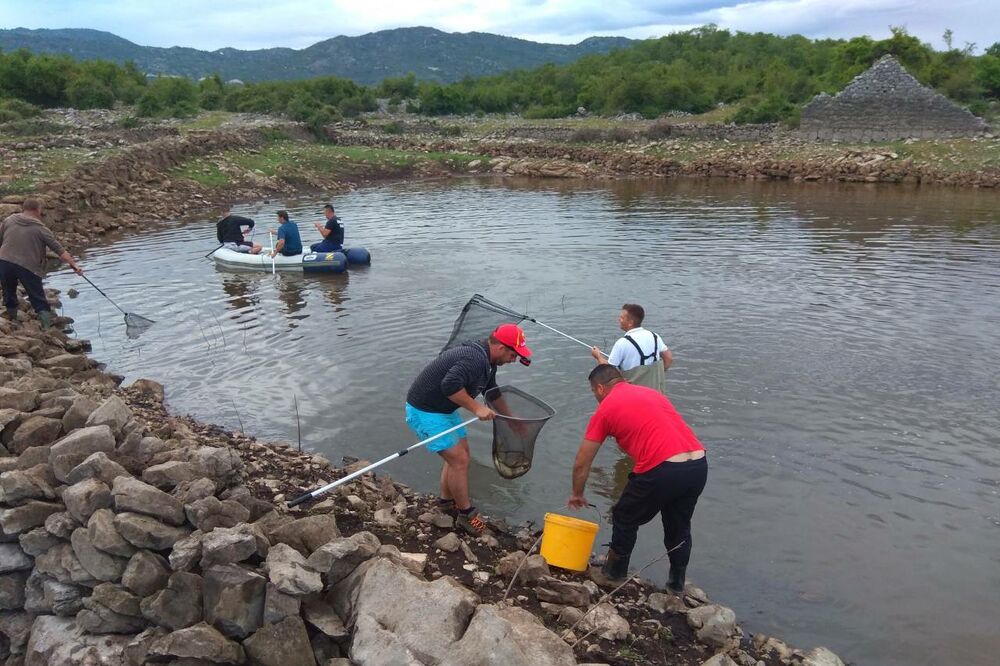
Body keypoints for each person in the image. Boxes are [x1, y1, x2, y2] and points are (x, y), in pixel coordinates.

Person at [568, 365, 706, 593]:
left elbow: (582, 462)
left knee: (623, 515)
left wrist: (577, 493)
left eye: (593, 392)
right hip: (697, 464)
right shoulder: (651, 393)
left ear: (600, 388)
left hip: (664, 467)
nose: (596, 398)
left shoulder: (605, 409)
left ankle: (614, 574)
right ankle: (676, 585)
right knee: (678, 526)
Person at [405, 323, 532, 536]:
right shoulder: (474, 359)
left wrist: (511, 419)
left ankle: (445, 503)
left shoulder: (488, 361)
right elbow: (449, 386)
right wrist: (477, 408)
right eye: (513, 355)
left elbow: (492, 390)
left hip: (443, 410)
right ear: (501, 347)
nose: (514, 360)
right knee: (459, 461)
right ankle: (466, 515)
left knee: (461, 455)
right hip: (425, 411)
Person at [0, 198, 83, 330]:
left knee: (8, 292)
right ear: (37, 210)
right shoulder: (41, 229)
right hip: (28, 266)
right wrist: (75, 266)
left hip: (5, 262)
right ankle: (46, 328)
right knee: (37, 296)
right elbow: (59, 250)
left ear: (23, 208)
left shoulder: (9, 220)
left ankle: (13, 320)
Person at [592, 303, 672, 393]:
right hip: (656, 394)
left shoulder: (622, 343)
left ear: (630, 323)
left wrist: (598, 356)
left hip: (634, 396)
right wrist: (659, 374)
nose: (619, 320)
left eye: (622, 318)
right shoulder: (655, 336)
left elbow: (608, 371)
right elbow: (668, 358)